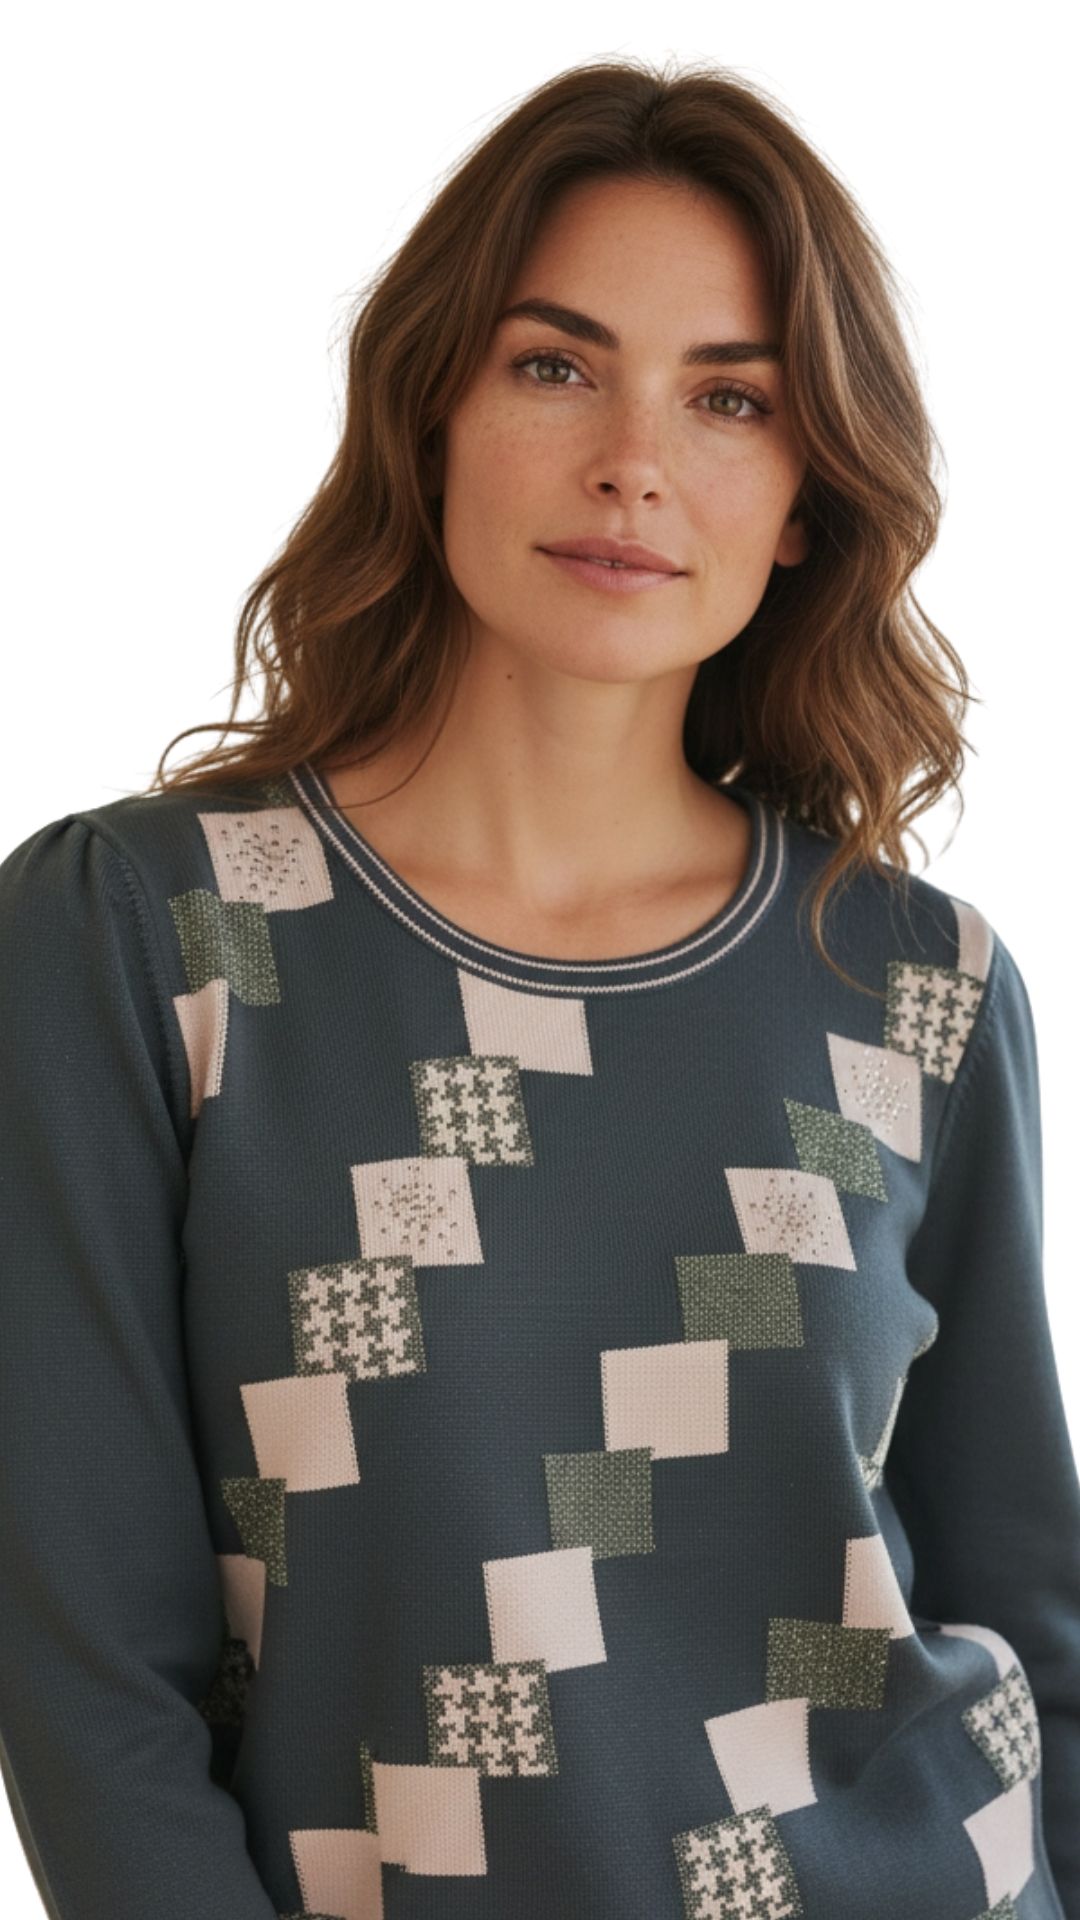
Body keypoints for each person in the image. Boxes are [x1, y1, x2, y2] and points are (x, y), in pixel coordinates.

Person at [1, 53, 1077, 1920]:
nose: (633, 463)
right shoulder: (153, 936)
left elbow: (1032, 1601)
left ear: (806, 496)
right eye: (557, 366)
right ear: (431, 407)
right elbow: (85, 1679)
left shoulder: (916, 989)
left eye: (730, 398)